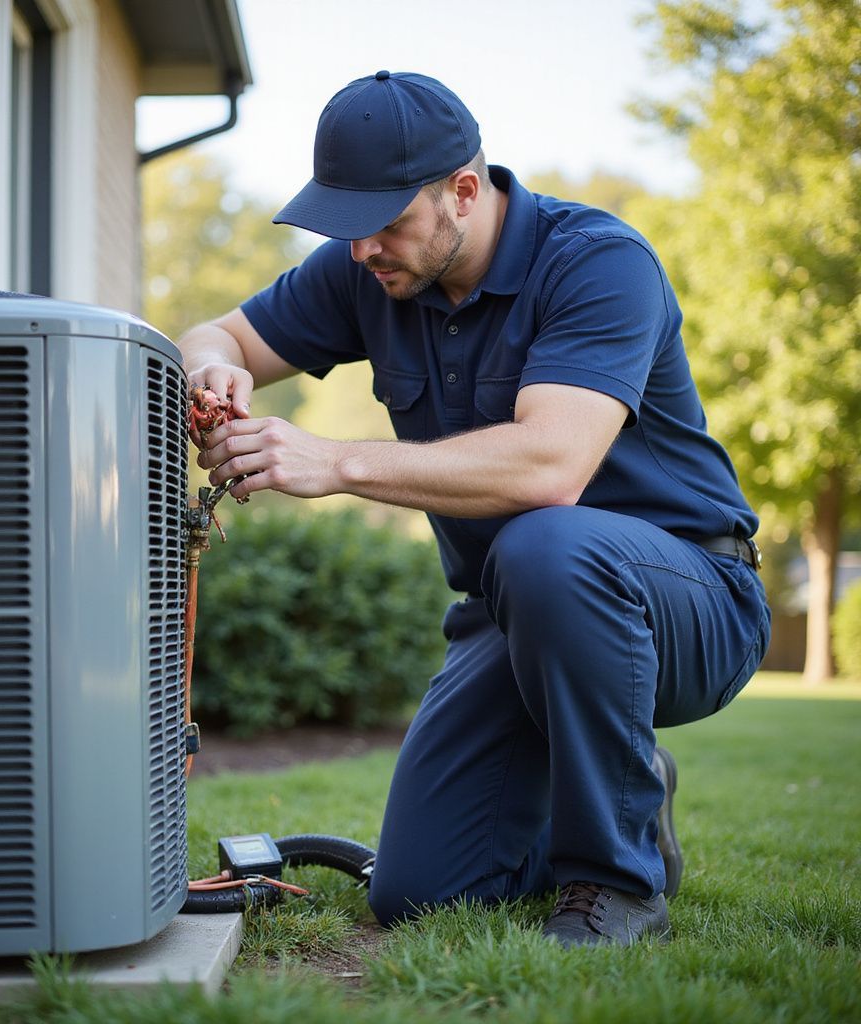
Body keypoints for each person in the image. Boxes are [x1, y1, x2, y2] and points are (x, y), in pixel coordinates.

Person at [177, 71, 771, 947]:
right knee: (417, 893)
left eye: (384, 223)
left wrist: (333, 461)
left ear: (464, 190)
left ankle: (617, 884)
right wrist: (211, 368)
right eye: (344, 226)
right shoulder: (368, 269)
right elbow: (216, 333)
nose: (360, 249)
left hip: (689, 597)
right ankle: (620, 785)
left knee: (547, 546)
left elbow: (550, 468)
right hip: (511, 611)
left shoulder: (599, 262)